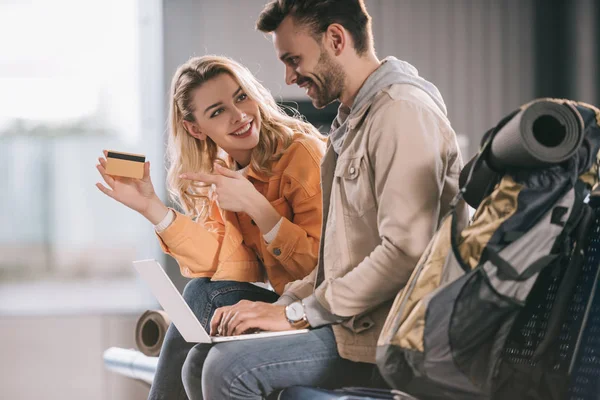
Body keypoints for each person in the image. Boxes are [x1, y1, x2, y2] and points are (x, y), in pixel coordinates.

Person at [179, 1, 469, 399]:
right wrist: (284, 304)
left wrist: (296, 314)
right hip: (351, 321)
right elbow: (333, 264)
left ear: (336, 39)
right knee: (198, 359)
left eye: (294, 60)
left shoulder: (400, 113)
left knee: (226, 370)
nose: (288, 76)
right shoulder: (350, 126)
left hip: (389, 334)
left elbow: (406, 251)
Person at [95, 55, 326, 399]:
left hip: (318, 309)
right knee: (203, 296)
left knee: (203, 301)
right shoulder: (226, 170)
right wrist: (153, 208)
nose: (240, 115)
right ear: (195, 128)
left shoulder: (302, 153)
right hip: (286, 304)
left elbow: (323, 269)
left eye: (241, 97)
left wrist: (258, 207)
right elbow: (224, 264)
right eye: (218, 111)